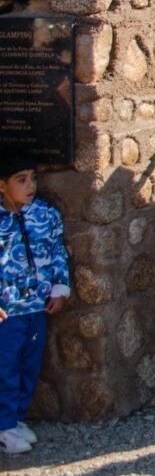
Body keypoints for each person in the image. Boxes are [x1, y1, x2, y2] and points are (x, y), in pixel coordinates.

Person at [0, 154, 70, 456]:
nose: (31, 186)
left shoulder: (45, 216)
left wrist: (59, 287)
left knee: (29, 364)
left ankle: (15, 418)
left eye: (33, 178)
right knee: (5, 367)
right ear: (2, 186)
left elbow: (57, 251)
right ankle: (3, 426)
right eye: (21, 180)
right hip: (7, 310)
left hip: (36, 306)